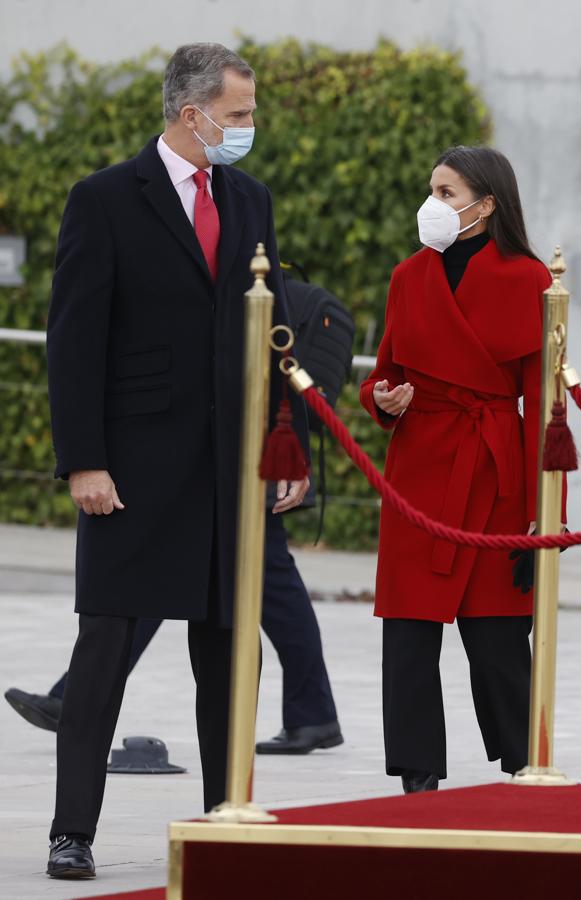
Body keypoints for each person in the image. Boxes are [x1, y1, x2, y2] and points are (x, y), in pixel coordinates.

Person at [44, 43, 310, 880]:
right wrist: (84, 461)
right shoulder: (104, 199)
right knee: (103, 652)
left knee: (232, 652)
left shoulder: (251, 197)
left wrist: (286, 442)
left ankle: (226, 816)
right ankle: (71, 833)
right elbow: (74, 340)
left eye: (250, 113)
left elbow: (273, 331)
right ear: (190, 114)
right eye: (237, 115)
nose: (248, 128)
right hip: (131, 470)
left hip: (230, 470)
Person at [360, 145, 567, 795]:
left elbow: (541, 400)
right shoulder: (407, 276)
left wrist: (544, 503)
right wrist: (383, 402)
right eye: (432, 191)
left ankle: (519, 763)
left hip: (494, 471)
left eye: (446, 193)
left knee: (500, 635)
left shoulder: (531, 278)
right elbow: (384, 377)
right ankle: (417, 777)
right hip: (418, 468)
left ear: (487, 204)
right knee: (409, 632)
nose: (434, 205)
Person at [5, 508, 343, 751]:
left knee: (268, 579)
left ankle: (75, 695)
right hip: (234, 453)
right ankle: (313, 713)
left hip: (248, 454)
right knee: (255, 577)